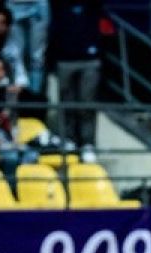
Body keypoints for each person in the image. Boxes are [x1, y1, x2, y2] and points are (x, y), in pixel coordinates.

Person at [50, 0, 101, 157]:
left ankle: (87, 143)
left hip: (89, 60)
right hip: (65, 59)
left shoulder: (92, 5)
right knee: (66, 103)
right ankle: (69, 139)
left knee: (87, 104)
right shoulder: (58, 5)